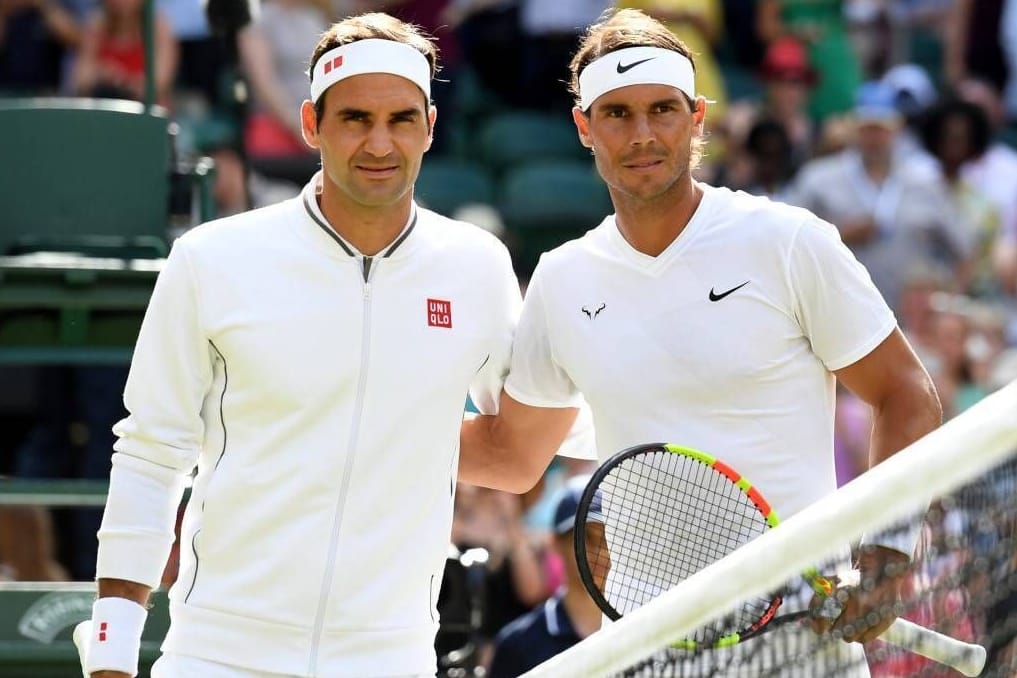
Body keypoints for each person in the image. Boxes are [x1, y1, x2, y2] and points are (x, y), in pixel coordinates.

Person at [459, 7, 943, 676]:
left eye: (662, 109)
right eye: (617, 113)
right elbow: (514, 455)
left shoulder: (787, 240)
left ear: (697, 116)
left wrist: (887, 552)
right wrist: (366, 434)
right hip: (644, 649)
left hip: (800, 652)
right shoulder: (561, 278)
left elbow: (904, 392)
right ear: (582, 127)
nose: (643, 133)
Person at [72, 12, 542, 678]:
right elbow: (152, 451)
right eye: (354, 118)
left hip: (392, 657)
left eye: (401, 119)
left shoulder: (479, 266)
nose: (379, 143)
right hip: (216, 653)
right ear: (310, 124)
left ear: (430, 127)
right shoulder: (211, 259)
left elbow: (522, 445)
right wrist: (114, 652)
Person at [486, 474, 604, 678]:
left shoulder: (644, 625)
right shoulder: (517, 645)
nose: (601, 552)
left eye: (608, 537)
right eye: (585, 537)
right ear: (555, 543)